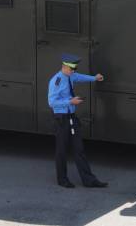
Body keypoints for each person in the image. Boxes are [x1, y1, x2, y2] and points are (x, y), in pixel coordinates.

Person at [48, 53, 107, 188]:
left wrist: (94, 78)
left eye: (74, 69)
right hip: (61, 119)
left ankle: (89, 180)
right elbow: (52, 102)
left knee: (79, 149)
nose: (74, 71)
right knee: (61, 150)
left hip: (71, 118)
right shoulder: (56, 81)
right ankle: (62, 180)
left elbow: (80, 77)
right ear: (64, 67)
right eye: (71, 69)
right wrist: (70, 101)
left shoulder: (71, 76)